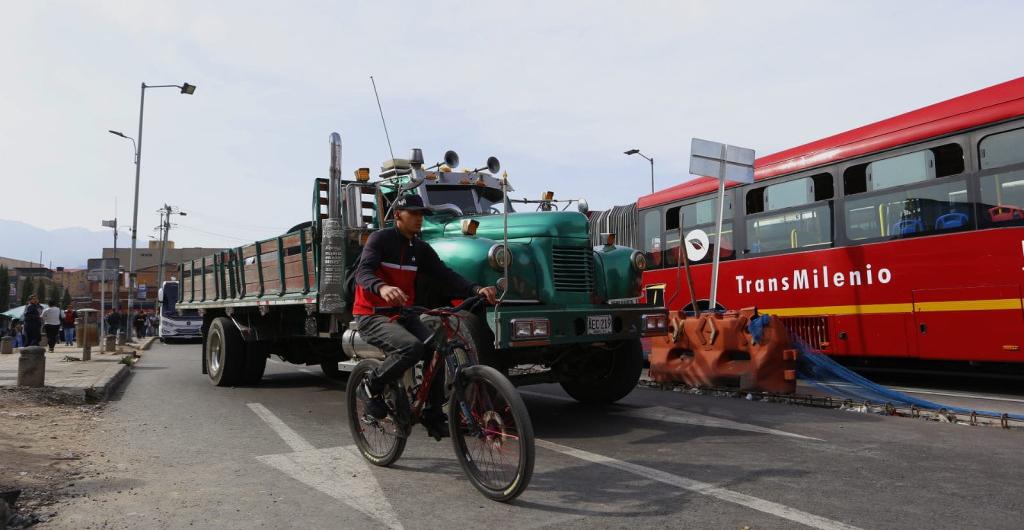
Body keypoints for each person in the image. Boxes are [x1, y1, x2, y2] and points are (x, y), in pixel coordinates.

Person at [354, 194, 498, 439]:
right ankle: (371, 386)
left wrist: (476, 289)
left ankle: (433, 415)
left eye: (422, 214)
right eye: (414, 213)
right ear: (398, 214)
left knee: (436, 347)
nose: (420, 219)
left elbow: (445, 274)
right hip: (372, 315)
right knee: (411, 348)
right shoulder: (380, 239)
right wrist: (382, 287)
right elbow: (363, 272)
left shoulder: (420, 248)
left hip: (404, 313)